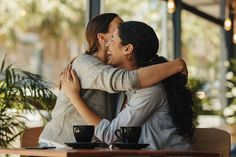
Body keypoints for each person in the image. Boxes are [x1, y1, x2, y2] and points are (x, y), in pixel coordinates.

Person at [39, 13, 188, 147]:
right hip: (59, 143)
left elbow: (112, 132)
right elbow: (128, 79)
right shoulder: (86, 64)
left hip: (87, 148)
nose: (112, 42)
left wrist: (74, 97)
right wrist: (176, 65)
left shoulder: (137, 87)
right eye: (117, 29)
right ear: (102, 38)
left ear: (128, 48)